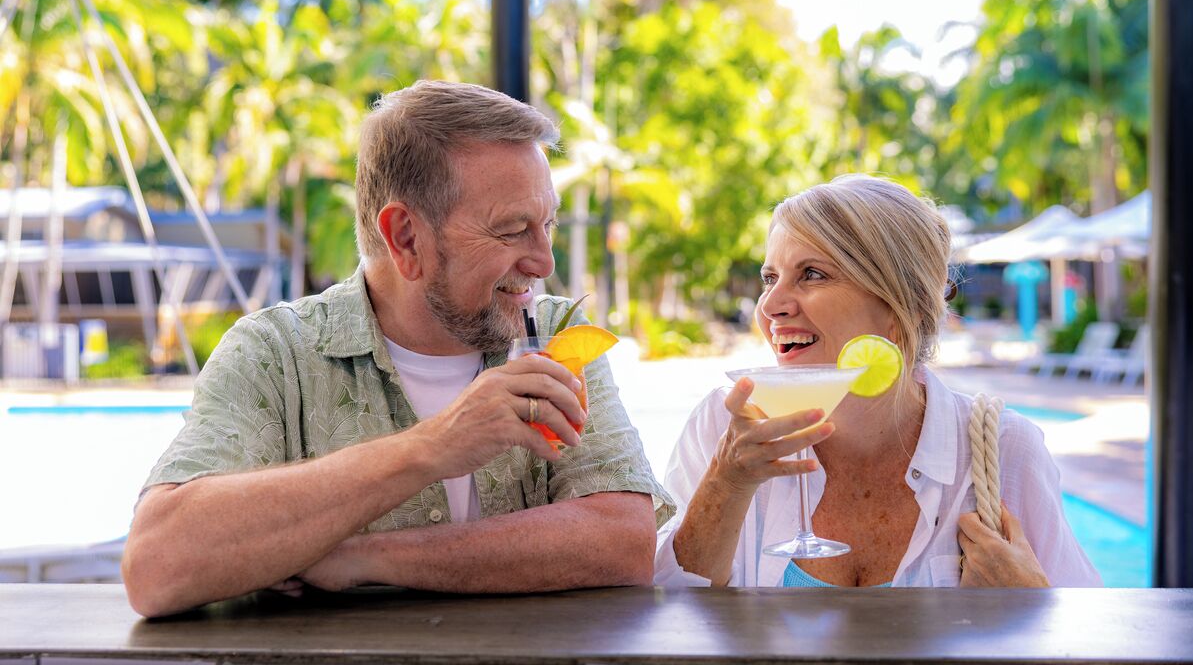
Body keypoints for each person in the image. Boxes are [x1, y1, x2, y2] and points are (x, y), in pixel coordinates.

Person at [123, 81, 673, 617]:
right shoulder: (276, 353)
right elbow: (157, 567)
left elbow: (623, 541)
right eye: (511, 230)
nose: (544, 261)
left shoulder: (557, 333)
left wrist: (365, 558)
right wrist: (434, 445)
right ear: (405, 237)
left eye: (547, 224)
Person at [655, 174, 1100, 588]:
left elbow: (1092, 630)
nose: (770, 307)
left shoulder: (1001, 448)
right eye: (770, 278)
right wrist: (726, 484)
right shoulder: (724, 425)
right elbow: (661, 611)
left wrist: (1033, 599)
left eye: (812, 274)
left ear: (899, 305)